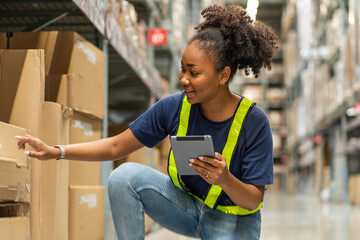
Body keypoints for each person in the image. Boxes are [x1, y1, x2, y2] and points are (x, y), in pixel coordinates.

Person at [16, 4, 278, 240]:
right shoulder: (175, 106)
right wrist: (56, 151)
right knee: (123, 177)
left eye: (194, 73)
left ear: (223, 76)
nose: (183, 79)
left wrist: (224, 179)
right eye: (183, 69)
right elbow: (117, 147)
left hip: (234, 221)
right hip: (186, 209)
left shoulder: (254, 122)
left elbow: (253, 199)